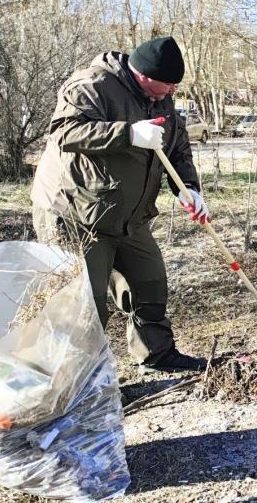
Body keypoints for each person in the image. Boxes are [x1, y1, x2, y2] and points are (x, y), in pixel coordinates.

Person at [30, 36, 210, 373]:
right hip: (76, 212)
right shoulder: (93, 85)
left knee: (149, 282)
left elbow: (177, 147)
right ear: (143, 75)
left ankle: (156, 355)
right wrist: (128, 134)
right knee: (84, 303)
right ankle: (80, 381)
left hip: (127, 215)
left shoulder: (160, 98)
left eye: (174, 86)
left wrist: (188, 188)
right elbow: (64, 132)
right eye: (167, 85)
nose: (172, 92)